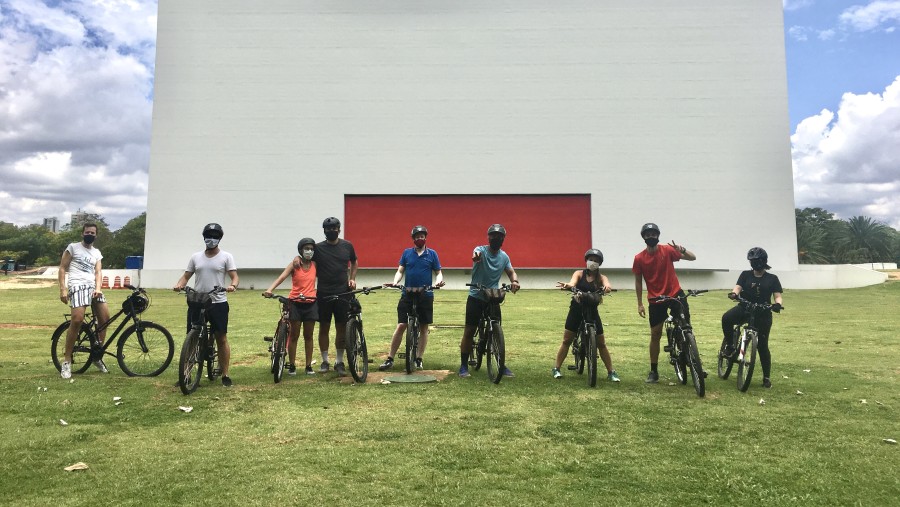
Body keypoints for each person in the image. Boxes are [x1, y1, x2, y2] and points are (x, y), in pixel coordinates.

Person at [173, 223, 239, 387]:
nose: (211, 239)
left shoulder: (226, 257)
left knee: (221, 338)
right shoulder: (196, 257)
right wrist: (179, 284)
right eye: (208, 236)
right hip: (198, 301)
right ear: (204, 237)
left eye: (215, 236)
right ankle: (186, 374)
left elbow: (234, 276)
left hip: (218, 302)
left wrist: (233, 286)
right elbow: (186, 276)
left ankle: (225, 374)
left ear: (219, 238)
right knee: (192, 337)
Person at [632, 222, 696, 383]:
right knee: (656, 334)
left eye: (653, 234)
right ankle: (653, 371)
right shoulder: (639, 258)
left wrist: (681, 249)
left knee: (686, 327)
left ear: (658, 235)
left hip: (675, 294)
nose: (651, 237)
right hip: (655, 299)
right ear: (644, 238)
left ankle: (692, 362)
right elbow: (638, 282)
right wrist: (640, 303)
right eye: (648, 235)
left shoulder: (667, 250)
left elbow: (692, 257)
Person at [379, 225, 445, 371]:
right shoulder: (407, 253)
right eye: (417, 236)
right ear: (413, 239)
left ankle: (419, 358)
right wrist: (396, 282)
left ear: (425, 238)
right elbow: (400, 270)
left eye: (422, 236)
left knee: (423, 326)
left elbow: (438, 272)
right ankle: (390, 358)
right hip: (407, 293)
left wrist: (438, 281)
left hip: (425, 294)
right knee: (401, 325)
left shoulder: (432, 254)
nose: (419, 239)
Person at [459, 224, 520, 378]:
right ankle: (464, 365)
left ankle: (501, 363)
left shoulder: (504, 257)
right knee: (469, 331)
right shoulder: (481, 250)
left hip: (492, 297)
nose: (496, 238)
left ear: (503, 239)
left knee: (497, 327)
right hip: (476, 295)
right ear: (488, 237)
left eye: (499, 236)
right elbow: (476, 254)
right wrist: (476, 257)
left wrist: (515, 281)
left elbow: (511, 271)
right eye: (493, 235)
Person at [553, 248, 620, 382]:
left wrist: (607, 288)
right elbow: (572, 283)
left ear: (599, 263)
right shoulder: (579, 273)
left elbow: (607, 285)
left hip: (592, 310)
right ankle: (556, 368)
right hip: (576, 309)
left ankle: (611, 372)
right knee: (567, 340)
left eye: (596, 261)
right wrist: (568, 285)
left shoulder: (601, 277)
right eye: (591, 260)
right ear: (586, 261)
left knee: (601, 343)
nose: (593, 263)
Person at [722, 247, 783, 388]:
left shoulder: (772, 278)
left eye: (757, 261)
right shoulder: (745, 275)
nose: (754, 264)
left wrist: (777, 305)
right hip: (745, 308)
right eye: (752, 261)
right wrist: (734, 294)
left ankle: (766, 377)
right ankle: (730, 346)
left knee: (762, 346)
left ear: (764, 261)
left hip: (763, 312)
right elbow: (738, 287)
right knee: (726, 318)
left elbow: (777, 295)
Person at [304, 217, 358, 376]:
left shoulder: (347, 246)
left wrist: (352, 279)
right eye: (328, 229)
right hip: (323, 292)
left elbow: (354, 262)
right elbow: (305, 261)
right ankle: (325, 361)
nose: (331, 231)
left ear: (339, 229)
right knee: (324, 327)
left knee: (341, 326)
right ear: (324, 231)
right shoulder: (318, 248)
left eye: (335, 228)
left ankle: (339, 362)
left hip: (343, 292)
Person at [57, 222, 111, 378]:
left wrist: (98, 288)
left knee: (105, 319)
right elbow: (62, 268)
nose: (90, 234)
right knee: (77, 320)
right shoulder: (73, 247)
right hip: (77, 285)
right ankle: (67, 360)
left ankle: (97, 354)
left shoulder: (97, 253)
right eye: (87, 232)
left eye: (93, 233)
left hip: (93, 288)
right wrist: (63, 288)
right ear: (82, 233)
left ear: (96, 235)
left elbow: (98, 272)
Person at [263, 237, 319, 375]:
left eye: (311, 249)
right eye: (306, 249)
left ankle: (308, 366)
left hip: (311, 302)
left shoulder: (315, 265)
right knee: (294, 335)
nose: (309, 251)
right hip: (295, 302)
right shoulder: (295, 264)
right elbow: (282, 277)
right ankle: (292, 365)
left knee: (309, 335)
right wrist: (270, 289)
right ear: (300, 250)